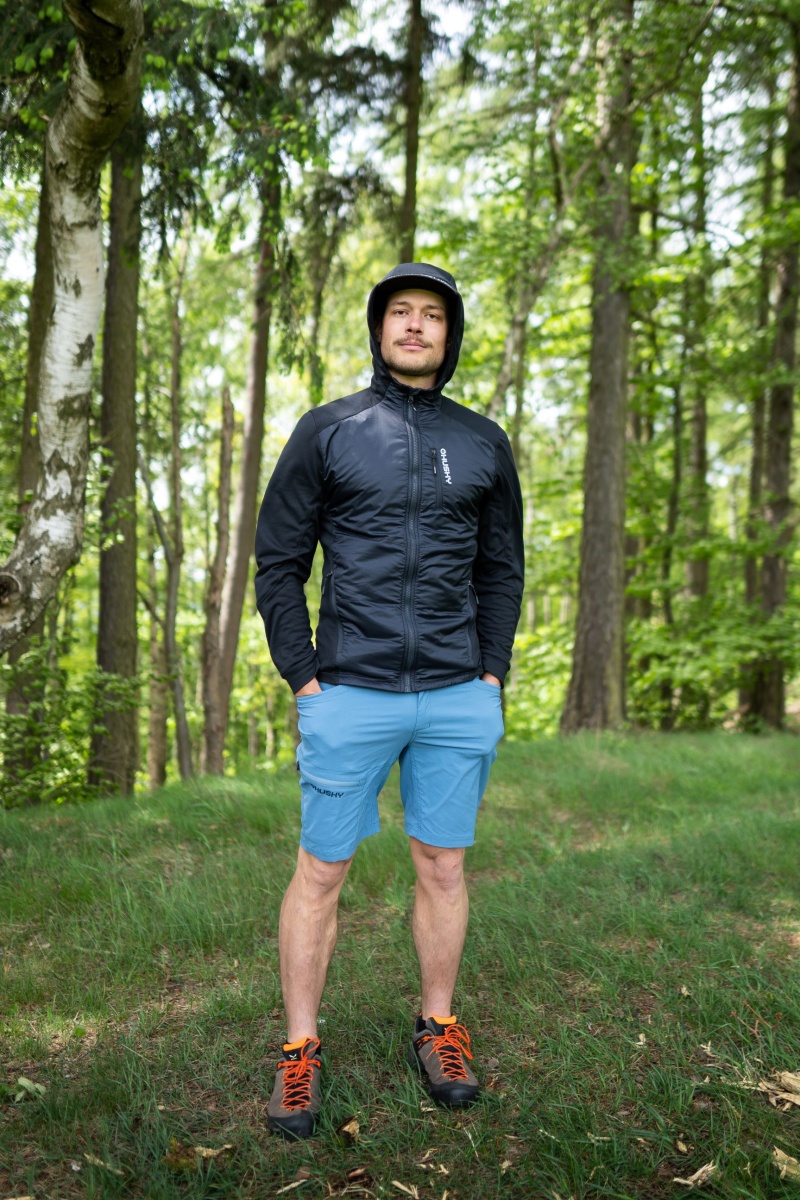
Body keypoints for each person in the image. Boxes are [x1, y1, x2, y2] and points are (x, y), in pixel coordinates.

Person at [254, 262, 524, 1139]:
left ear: (450, 334)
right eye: (400, 312)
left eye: (431, 315)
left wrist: (491, 674)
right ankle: (300, 1048)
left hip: (456, 692)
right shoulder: (330, 429)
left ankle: (438, 1026)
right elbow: (278, 562)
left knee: (443, 866)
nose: (415, 325)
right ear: (379, 329)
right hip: (349, 690)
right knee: (321, 870)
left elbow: (502, 568)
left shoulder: (483, 442)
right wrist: (304, 677)